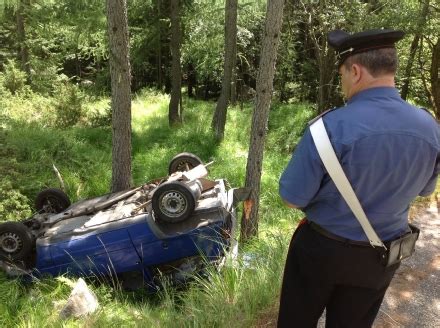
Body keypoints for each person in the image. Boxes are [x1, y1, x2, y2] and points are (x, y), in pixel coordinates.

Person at [277, 29, 439, 328]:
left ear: (355, 70)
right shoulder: (430, 127)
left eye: (341, 75)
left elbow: (291, 198)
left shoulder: (328, 128)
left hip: (321, 251)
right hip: (381, 255)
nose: (342, 83)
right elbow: (426, 190)